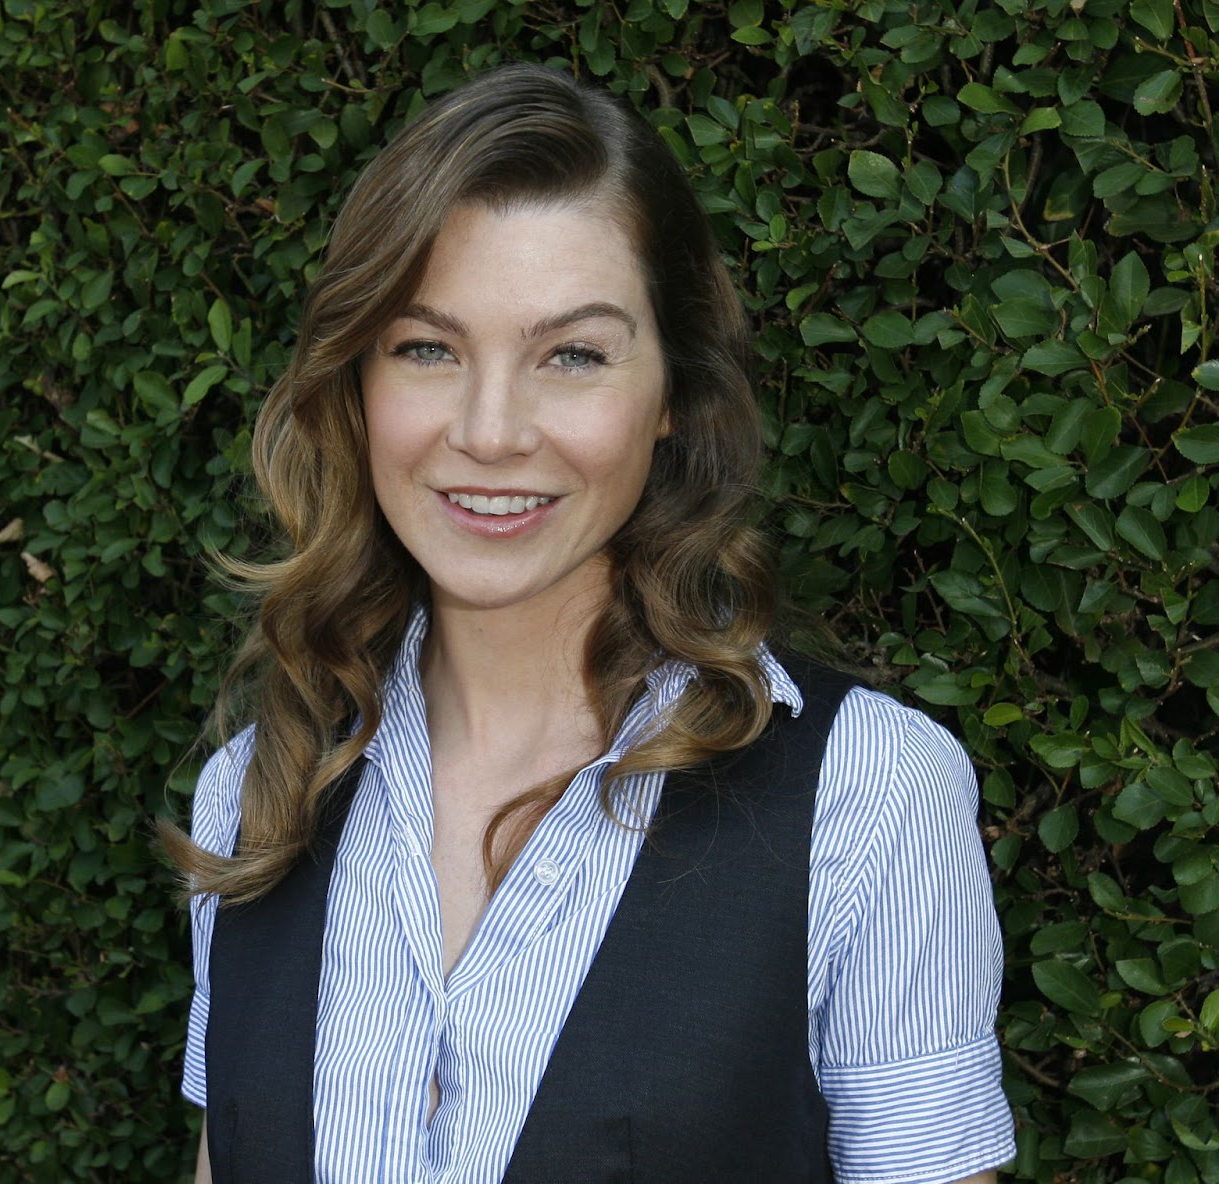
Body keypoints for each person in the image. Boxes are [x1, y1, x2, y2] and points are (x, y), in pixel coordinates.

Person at [164, 61, 1014, 1183]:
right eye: (427, 346)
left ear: (670, 394)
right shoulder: (256, 790)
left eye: (571, 354)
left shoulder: (867, 798)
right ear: (356, 381)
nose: (491, 429)